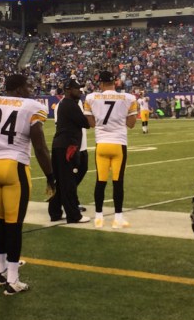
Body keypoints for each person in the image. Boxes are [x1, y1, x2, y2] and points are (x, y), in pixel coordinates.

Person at [0, 74, 54, 296]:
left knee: (0, 222)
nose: (31, 89)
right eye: (28, 85)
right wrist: (50, 175)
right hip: (15, 167)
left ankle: (0, 272)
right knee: (14, 225)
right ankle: (13, 280)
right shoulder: (31, 107)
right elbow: (39, 146)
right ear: (19, 89)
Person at [84, 70, 138, 229]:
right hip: (118, 144)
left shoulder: (91, 97)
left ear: (100, 83)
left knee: (100, 181)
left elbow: (90, 122)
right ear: (115, 82)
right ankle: (117, 218)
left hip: (101, 144)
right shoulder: (128, 98)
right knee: (118, 182)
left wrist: (101, 123)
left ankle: (99, 217)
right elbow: (132, 123)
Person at [48, 79, 90, 225]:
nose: (80, 91)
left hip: (61, 145)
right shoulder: (69, 104)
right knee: (68, 182)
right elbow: (85, 123)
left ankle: (55, 212)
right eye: (77, 88)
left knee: (61, 182)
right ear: (68, 89)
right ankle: (73, 215)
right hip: (67, 146)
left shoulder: (65, 104)